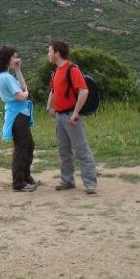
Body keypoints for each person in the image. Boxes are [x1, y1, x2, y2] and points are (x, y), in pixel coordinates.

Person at [46, 40, 98, 194]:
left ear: (57, 53)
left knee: (81, 150)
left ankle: (90, 184)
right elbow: (53, 90)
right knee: (64, 151)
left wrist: (76, 113)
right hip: (60, 116)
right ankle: (67, 181)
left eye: (49, 51)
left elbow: (84, 90)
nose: (48, 54)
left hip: (71, 117)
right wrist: (49, 107)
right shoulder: (56, 71)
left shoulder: (72, 69)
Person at [0, 45, 38, 192]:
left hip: (20, 114)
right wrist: (27, 93)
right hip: (17, 115)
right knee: (22, 148)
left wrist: (18, 70)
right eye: (14, 57)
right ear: (8, 59)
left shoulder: (4, 75)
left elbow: (22, 86)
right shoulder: (6, 77)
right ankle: (19, 182)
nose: (16, 59)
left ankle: (26, 176)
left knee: (29, 145)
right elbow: (20, 95)